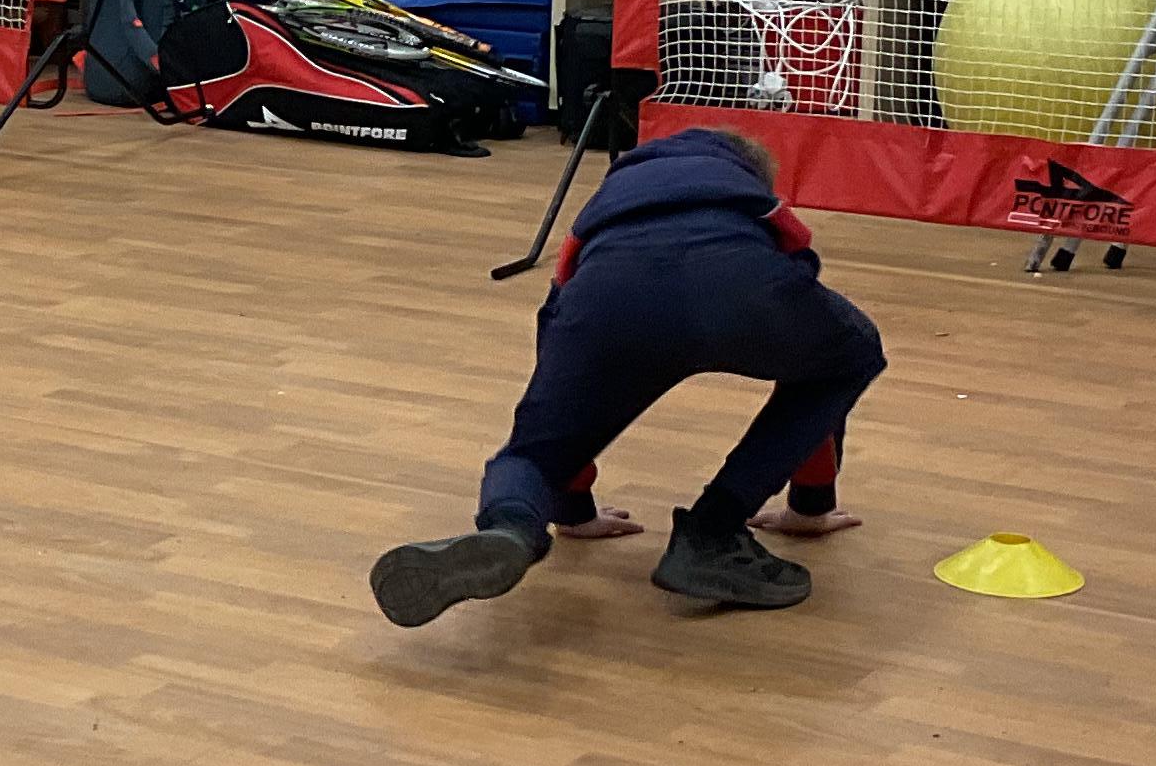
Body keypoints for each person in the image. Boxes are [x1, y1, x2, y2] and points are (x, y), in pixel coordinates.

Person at [370, 125, 881, 626]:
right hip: (737, 281)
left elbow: (555, 321)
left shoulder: (605, 206)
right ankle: (714, 529)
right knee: (845, 357)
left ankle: (511, 526)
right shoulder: (749, 194)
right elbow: (804, 291)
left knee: (531, 453)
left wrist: (573, 507)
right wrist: (811, 502)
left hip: (607, 297)